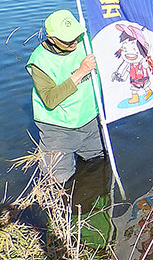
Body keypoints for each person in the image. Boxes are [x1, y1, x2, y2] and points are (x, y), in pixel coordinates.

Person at [26, 9, 103, 184]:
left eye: (76, 36)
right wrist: (81, 72)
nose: (75, 42)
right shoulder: (39, 61)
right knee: (57, 180)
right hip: (58, 127)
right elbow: (50, 100)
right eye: (68, 40)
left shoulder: (86, 41)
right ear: (51, 38)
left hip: (90, 119)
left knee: (98, 165)